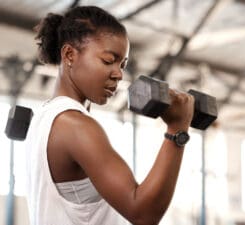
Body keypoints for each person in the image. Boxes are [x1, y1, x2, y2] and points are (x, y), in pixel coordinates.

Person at [25, 5, 194, 225]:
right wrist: (177, 130)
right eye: (108, 60)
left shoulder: (44, 117)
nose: (118, 74)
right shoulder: (74, 125)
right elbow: (143, 213)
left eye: (122, 64)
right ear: (69, 54)